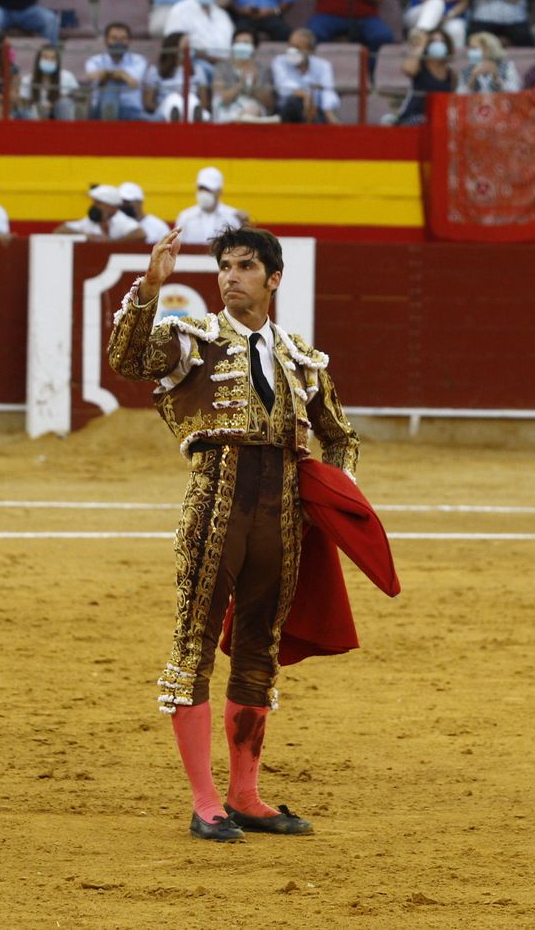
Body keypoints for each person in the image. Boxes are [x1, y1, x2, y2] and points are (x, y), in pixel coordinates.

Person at [106, 224, 360, 843]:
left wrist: (333, 494)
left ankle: (246, 795)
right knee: (192, 647)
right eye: (224, 266)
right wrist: (149, 288)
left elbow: (341, 435)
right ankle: (205, 802)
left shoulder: (300, 358)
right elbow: (126, 360)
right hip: (214, 504)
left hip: (280, 516)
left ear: (273, 279)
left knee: (257, 652)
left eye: (245, 266)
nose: (230, 276)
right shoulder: (189, 340)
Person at [84, 22, 153, 122]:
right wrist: (121, 75)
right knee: (110, 87)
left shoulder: (139, 60)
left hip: (131, 110)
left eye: (123, 39)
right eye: (114, 39)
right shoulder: (94, 60)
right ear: (106, 41)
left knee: (158, 119)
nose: (118, 43)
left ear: (129, 41)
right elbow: (91, 76)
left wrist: (106, 74)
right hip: (100, 110)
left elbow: (133, 82)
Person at [164, 0, 235, 63]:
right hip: (195, 64)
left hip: (224, 65)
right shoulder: (179, 10)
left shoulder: (222, 15)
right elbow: (174, 45)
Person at [270, 28, 339, 124]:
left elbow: (328, 91)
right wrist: (305, 95)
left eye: (297, 47)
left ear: (310, 51)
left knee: (319, 114)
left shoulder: (323, 66)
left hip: (315, 110)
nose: (292, 50)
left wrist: (328, 110)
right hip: (286, 109)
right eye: (290, 45)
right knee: (293, 102)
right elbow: (282, 86)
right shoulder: (279, 61)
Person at [213, 28, 275, 123]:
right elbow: (221, 98)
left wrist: (254, 86)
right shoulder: (222, 68)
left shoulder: (264, 70)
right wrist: (241, 85)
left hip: (254, 111)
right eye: (238, 42)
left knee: (253, 109)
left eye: (246, 43)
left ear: (254, 47)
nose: (241, 46)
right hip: (228, 108)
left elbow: (269, 104)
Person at [396, 27, 456, 124]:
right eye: (433, 41)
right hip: (414, 115)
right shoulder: (419, 66)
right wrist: (422, 45)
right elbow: (407, 69)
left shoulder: (451, 74)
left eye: (441, 42)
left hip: (438, 118)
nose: (438, 45)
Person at [147, 33, 211, 122]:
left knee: (190, 98)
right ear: (173, 48)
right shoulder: (156, 70)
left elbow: (204, 101)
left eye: (190, 45)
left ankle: (194, 117)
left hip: (190, 103)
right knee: (174, 99)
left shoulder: (197, 70)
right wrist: (166, 104)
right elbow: (148, 103)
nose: (189, 48)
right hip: (165, 106)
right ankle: (176, 116)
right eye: (186, 44)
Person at [174, 166, 247, 244]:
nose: (204, 193)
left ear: (219, 192)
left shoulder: (232, 217)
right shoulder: (185, 217)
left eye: (208, 189)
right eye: (201, 188)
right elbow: (177, 248)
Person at [55, 184, 143, 241]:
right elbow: (60, 230)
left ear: (111, 207)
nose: (93, 207)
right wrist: (85, 236)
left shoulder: (121, 220)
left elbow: (140, 235)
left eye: (98, 203)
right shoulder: (90, 221)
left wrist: (110, 243)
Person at [19, 44, 79, 121]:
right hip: (37, 114)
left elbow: (77, 98)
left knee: (64, 103)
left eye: (53, 58)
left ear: (57, 61)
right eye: (45, 57)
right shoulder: (27, 80)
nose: (49, 61)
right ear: (38, 59)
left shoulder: (67, 76)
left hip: (59, 112)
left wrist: (56, 101)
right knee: (26, 112)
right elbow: (24, 104)